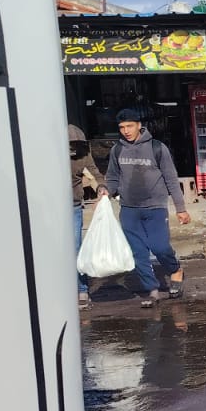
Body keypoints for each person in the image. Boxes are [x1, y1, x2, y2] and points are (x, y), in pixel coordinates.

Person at [101, 107, 189, 308]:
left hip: (155, 207)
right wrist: (107, 190)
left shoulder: (157, 148)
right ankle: (152, 290)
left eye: (130, 126)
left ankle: (175, 270)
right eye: (122, 127)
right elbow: (113, 177)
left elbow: (171, 179)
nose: (126, 131)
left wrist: (180, 208)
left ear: (139, 125)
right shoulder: (117, 150)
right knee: (138, 253)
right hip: (129, 209)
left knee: (160, 246)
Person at [68, 123, 105, 307]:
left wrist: (101, 188)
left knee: (76, 248)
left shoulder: (82, 155)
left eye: (76, 145)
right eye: (69, 145)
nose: (73, 149)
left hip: (73, 207)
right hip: (50, 210)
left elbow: (94, 175)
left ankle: (82, 289)